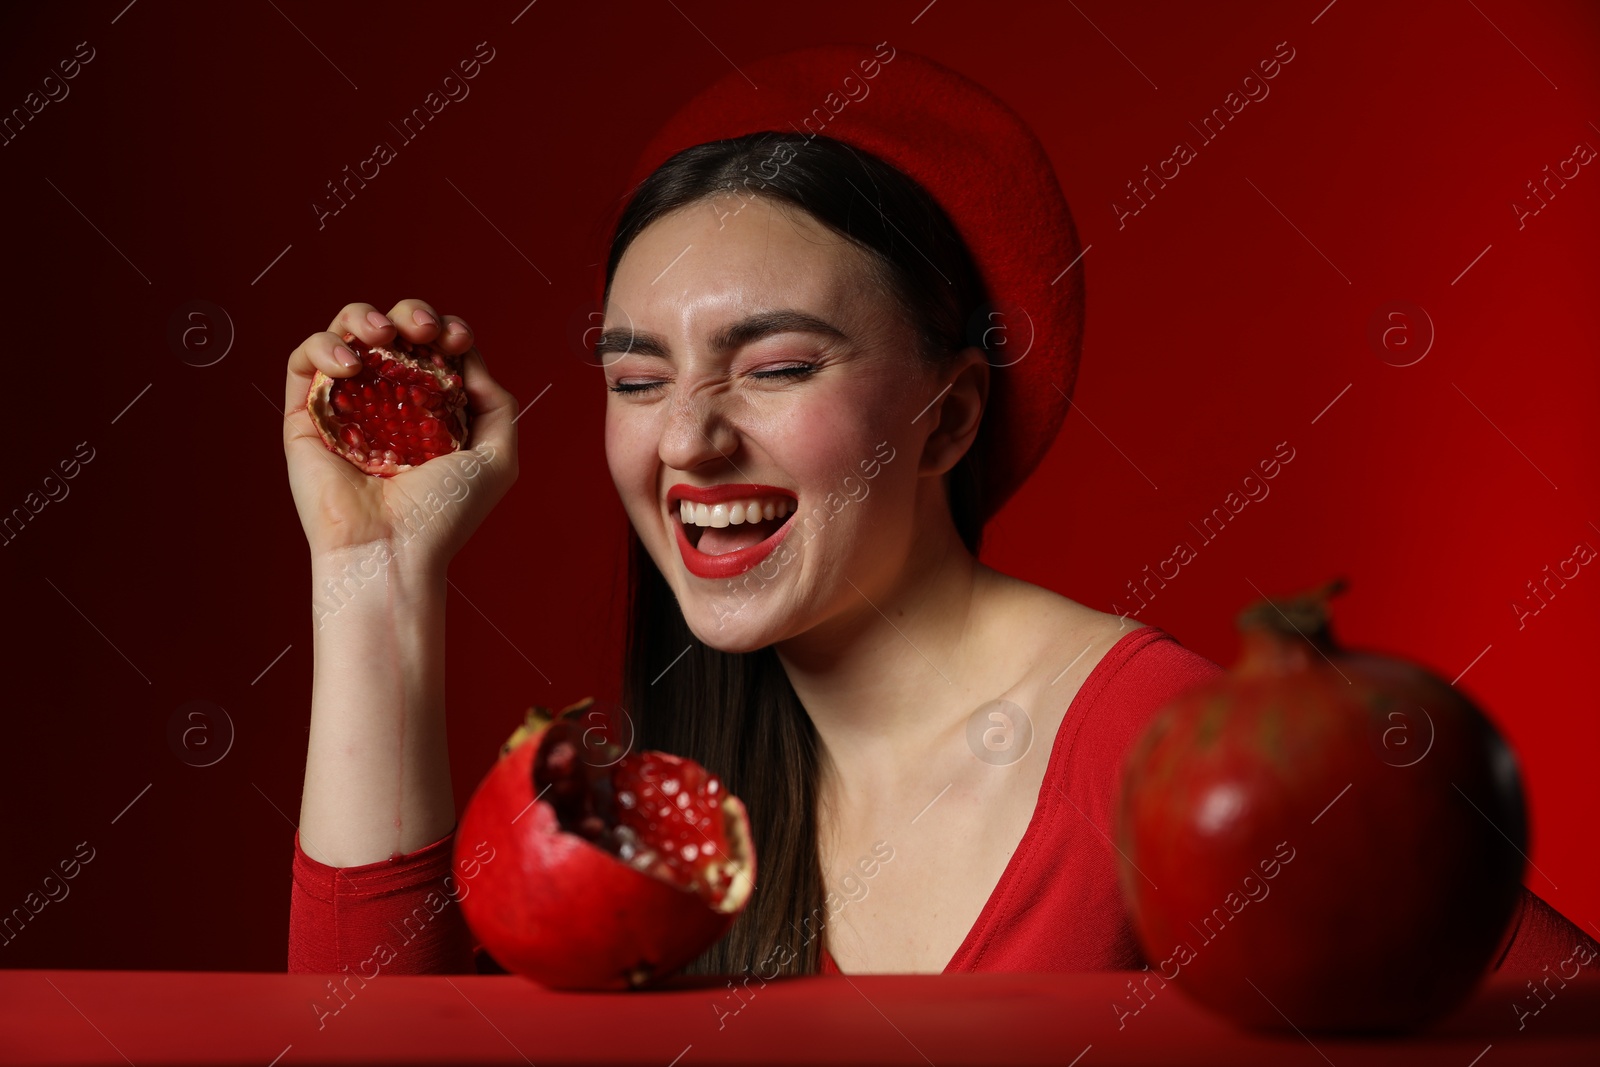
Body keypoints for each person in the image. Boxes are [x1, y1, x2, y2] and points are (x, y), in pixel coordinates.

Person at [284, 44, 1592, 983]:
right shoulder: (693, 788)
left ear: (951, 418)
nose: (688, 436)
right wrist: (374, 572)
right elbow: (362, 1041)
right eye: (636, 378)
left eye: (780, 368)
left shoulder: (1152, 748)